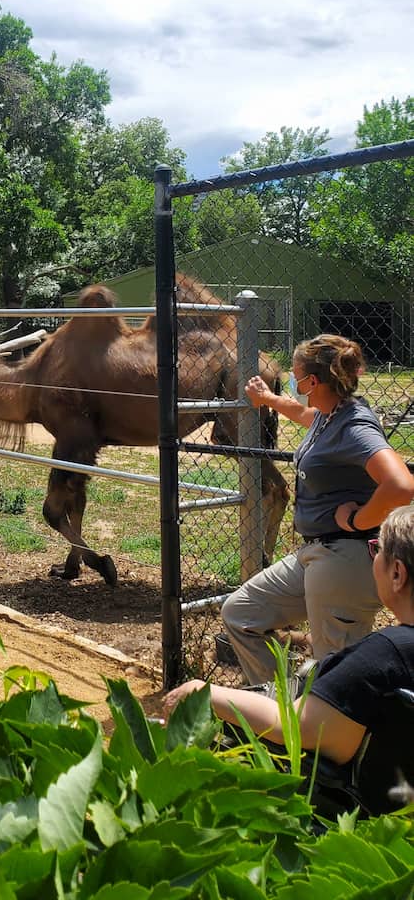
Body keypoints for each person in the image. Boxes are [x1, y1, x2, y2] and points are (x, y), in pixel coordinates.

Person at [164, 505, 414, 817]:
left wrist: (201, 691)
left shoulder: (385, 655)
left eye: (376, 548)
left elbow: (295, 729)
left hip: (351, 810)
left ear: (397, 573)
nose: (372, 556)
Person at [220, 333, 414, 684]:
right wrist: (268, 399)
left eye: (295, 374)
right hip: (315, 553)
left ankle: (323, 733)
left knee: (337, 673)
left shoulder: (354, 425)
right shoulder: (330, 414)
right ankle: (281, 712)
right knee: (241, 613)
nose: (292, 380)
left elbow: (401, 486)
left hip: (345, 561)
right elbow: (305, 414)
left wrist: (357, 520)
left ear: (313, 380)